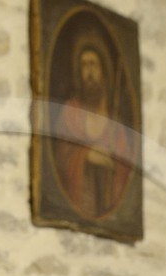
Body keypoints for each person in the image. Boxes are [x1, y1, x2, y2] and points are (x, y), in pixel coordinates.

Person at [52, 33, 139, 220]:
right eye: (84, 65)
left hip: (104, 197)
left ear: (103, 71)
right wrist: (86, 155)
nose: (89, 71)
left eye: (93, 64)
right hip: (80, 196)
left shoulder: (115, 125)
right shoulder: (70, 112)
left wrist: (113, 162)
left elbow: (126, 166)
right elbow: (60, 156)